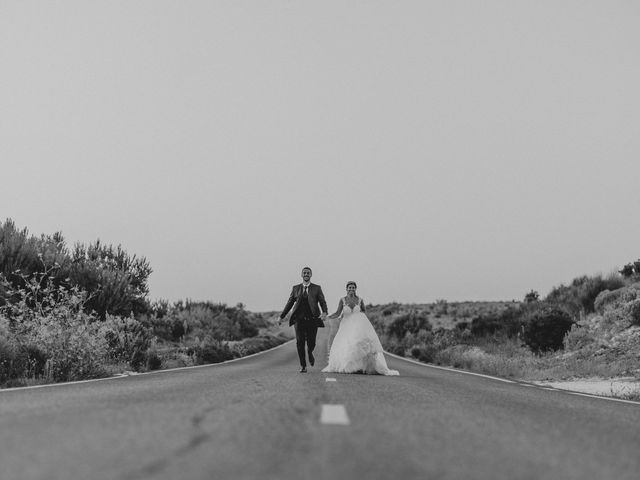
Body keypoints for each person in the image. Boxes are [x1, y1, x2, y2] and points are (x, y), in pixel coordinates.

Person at [322, 281, 399, 376]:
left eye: (353, 287)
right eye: (349, 287)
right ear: (346, 289)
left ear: (355, 289)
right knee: (348, 345)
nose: (351, 289)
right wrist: (328, 317)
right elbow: (338, 313)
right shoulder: (342, 300)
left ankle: (360, 366)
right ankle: (350, 367)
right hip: (346, 327)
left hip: (358, 327)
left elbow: (363, 312)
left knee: (358, 344)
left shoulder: (360, 300)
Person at [279, 267, 328, 373]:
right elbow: (290, 303)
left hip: (312, 319)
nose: (306, 274)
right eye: (304, 273)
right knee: (300, 342)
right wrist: (282, 316)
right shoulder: (295, 288)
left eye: (308, 273)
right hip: (299, 320)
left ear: (311, 275)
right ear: (301, 275)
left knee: (312, 342)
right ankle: (303, 365)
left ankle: (310, 352)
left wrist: (324, 312)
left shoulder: (317, 288)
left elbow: (322, 301)